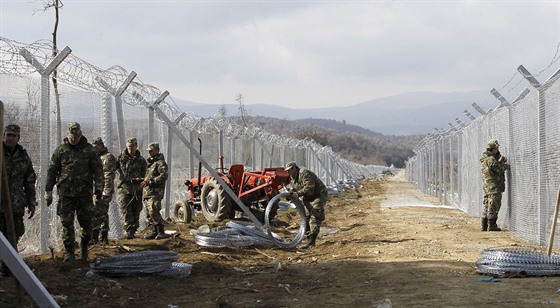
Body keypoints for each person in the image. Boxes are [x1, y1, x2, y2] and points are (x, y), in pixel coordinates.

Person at [45, 122, 104, 262]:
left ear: (81, 135)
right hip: (66, 193)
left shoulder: (89, 150)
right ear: (68, 135)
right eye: (72, 137)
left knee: (87, 222)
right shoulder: (61, 150)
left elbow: (97, 170)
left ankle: (84, 246)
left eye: (76, 137)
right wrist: (48, 190)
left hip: (84, 193)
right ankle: (70, 252)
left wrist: (99, 187)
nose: (74, 139)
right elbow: (52, 170)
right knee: (67, 223)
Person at [0, 124, 37, 277]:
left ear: (18, 138)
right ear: (3, 136)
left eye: (13, 135)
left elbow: (29, 180)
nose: (10, 138)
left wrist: (31, 202)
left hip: (15, 204)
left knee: (14, 234)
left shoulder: (23, 156)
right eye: (8, 135)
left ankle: (8, 267)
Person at [285, 161, 328, 249]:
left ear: (294, 168)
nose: (288, 172)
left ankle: (311, 242)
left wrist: (297, 194)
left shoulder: (304, 173)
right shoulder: (293, 177)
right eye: (287, 171)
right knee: (306, 218)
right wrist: (291, 193)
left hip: (318, 195)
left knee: (315, 216)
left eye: (289, 170)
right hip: (308, 198)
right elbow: (296, 187)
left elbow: (309, 188)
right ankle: (309, 240)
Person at [114, 137, 147, 239]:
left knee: (136, 209)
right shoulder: (121, 158)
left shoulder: (141, 160)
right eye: (129, 147)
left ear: (136, 146)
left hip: (137, 189)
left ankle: (133, 229)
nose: (130, 149)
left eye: (132, 146)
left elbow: (146, 174)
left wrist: (140, 180)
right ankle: (129, 230)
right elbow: (112, 168)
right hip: (124, 188)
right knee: (126, 209)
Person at [480, 139, 510, 231]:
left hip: (487, 186)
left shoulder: (484, 158)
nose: (497, 150)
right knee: (494, 205)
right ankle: (492, 225)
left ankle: (484, 225)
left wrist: (499, 161)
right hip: (494, 186)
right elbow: (498, 170)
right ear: (493, 149)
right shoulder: (491, 159)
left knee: (487, 205)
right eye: (496, 149)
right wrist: (505, 165)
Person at [90, 137, 116, 244]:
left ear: (101, 146)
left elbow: (108, 175)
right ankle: (97, 236)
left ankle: (101, 236)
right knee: (98, 212)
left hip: (104, 189)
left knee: (101, 212)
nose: (95, 149)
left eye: (96, 147)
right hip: (97, 189)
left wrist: (106, 190)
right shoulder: (97, 157)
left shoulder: (107, 158)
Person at [141, 142, 169, 240]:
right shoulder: (150, 164)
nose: (149, 152)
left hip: (156, 191)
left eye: (151, 150)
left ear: (157, 150)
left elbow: (164, 175)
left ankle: (161, 231)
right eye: (149, 151)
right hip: (148, 192)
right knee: (149, 213)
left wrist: (151, 182)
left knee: (154, 210)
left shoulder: (160, 163)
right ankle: (154, 231)